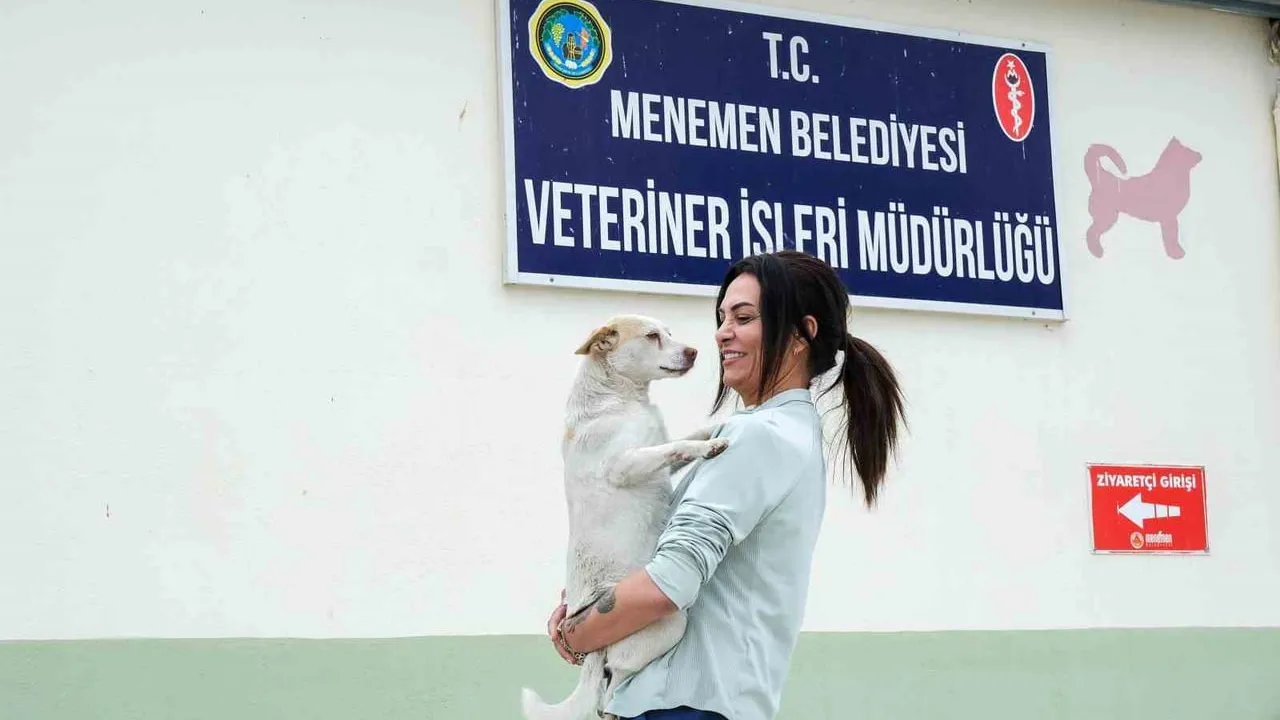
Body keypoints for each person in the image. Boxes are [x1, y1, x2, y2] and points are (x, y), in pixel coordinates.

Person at [546, 250, 907, 720]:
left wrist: (576, 634)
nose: (722, 333)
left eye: (744, 317)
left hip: (684, 707)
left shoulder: (758, 436)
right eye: (721, 317)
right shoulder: (777, 432)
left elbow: (666, 586)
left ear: (802, 334)